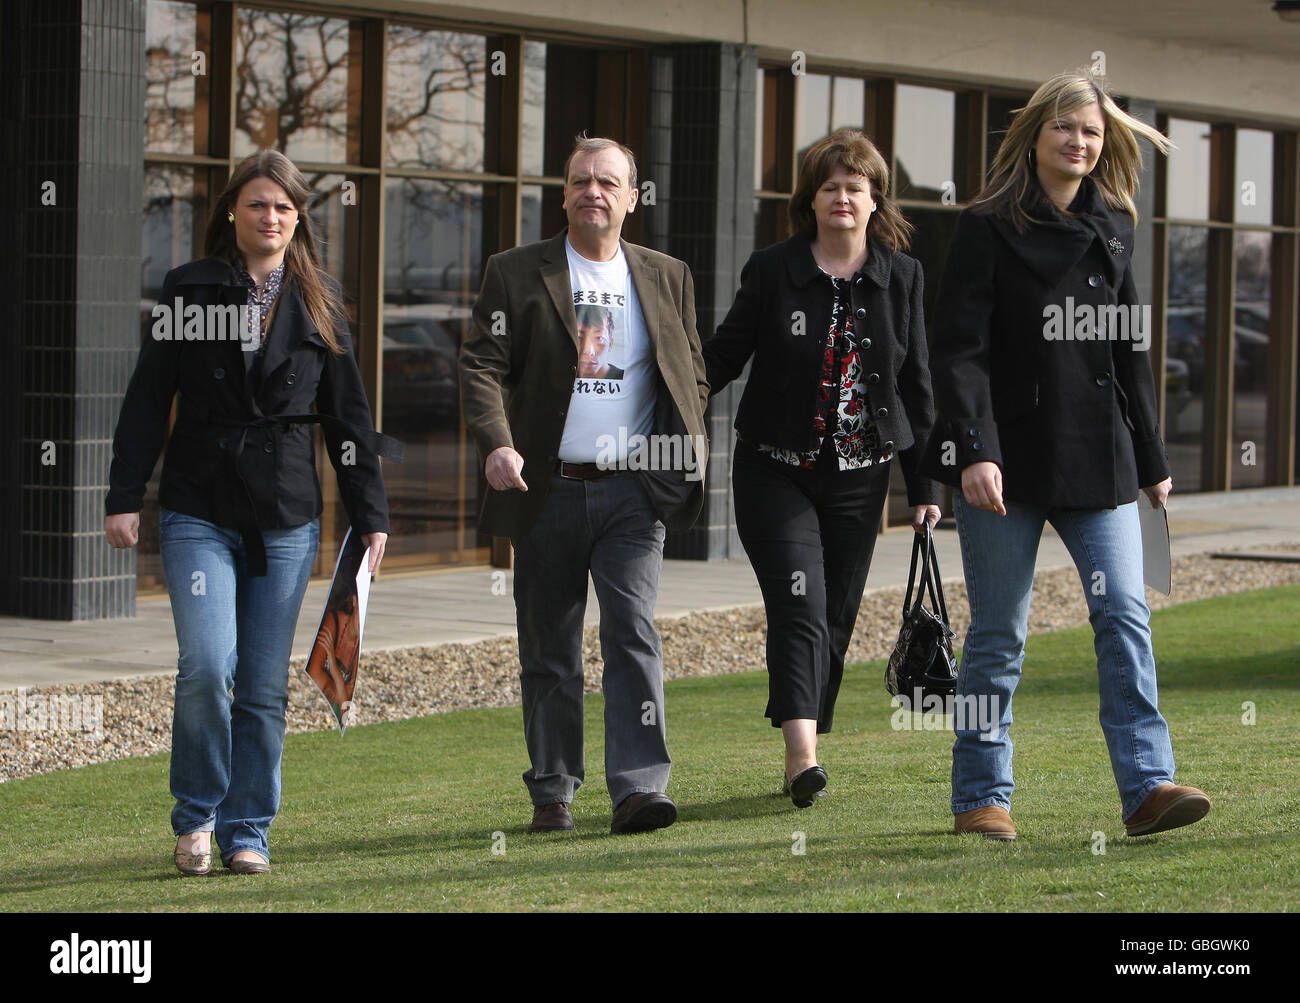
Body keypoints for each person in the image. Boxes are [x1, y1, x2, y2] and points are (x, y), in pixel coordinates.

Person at [922, 70, 1210, 841]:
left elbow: (1127, 350)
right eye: (1065, 128)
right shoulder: (985, 224)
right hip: (1005, 464)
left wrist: (1152, 457)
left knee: (1124, 613)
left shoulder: (1115, 225)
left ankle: (1148, 786)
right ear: (1036, 134)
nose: (1079, 142)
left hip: (1101, 458)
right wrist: (975, 449)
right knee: (999, 633)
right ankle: (982, 796)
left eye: (1091, 131)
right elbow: (959, 351)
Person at [105, 150, 397, 875]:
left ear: (297, 220)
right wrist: (122, 496)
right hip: (197, 508)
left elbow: (348, 418)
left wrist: (372, 513)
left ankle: (247, 830)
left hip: (285, 517)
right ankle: (196, 814)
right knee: (207, 665)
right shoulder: (187, 288)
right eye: (257, 203)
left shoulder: (321, 299)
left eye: (283, 207)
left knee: (263, 684)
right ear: (232, 212)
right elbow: (148, 400)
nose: (269, 216)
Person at [459, 134, 708, 835]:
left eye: (607, 181)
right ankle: (552, 790)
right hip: (548, 488)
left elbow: (691, 368)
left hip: (634, 492)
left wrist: (681, 438)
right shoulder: (514, 272)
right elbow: (480, 364)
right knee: (550, 647)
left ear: (633, 196)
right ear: (563, 194)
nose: (592, 192)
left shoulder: (667, 275)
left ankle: (637, 787)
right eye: (579, 181)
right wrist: (499, 443)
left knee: (633, 630)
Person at [704, 129, 942, 807]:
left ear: (874, 201)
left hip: (861, 477)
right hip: (775, 471)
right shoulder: (773, 269)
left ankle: (808, 730)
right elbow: (724, 354)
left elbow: (918, 386)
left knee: (836, 614)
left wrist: (924, 486)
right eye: (829, 186)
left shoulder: (903, 276)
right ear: (809, 200)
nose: (842, 197)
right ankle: (800, 755)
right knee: (800, 602)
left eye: (855, 187)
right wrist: (669, 396)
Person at [576, 304, 624, 379]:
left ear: (611, 342)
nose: (588, 351)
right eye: (579, 337)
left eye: (599, 338)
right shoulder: (557, 377)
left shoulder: (628, 377)